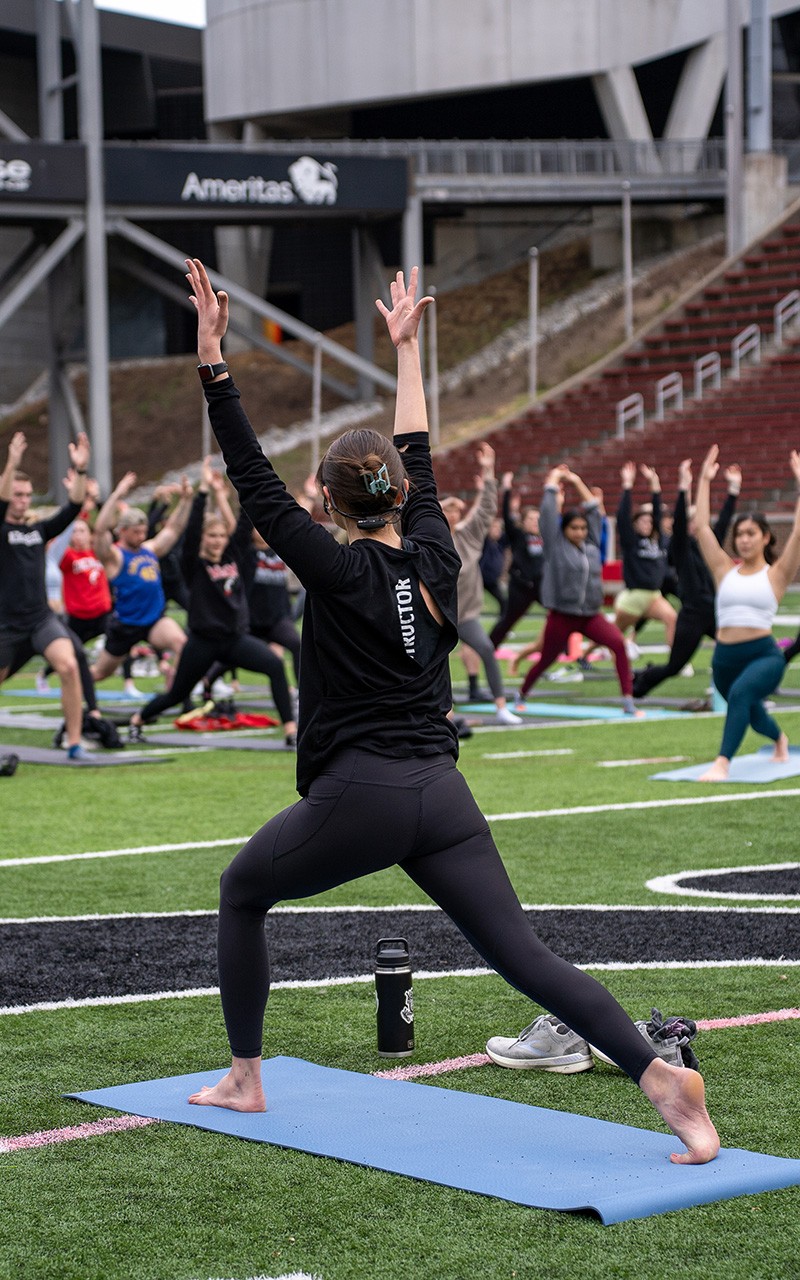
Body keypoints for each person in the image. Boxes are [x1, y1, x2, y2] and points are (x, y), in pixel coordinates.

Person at [182, 257, 718, 1166]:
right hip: (441, 795)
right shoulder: (434, 550)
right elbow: (416, 451)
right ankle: (661, 1080)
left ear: (333, 505)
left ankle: (245, 1074)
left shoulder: (340, 567)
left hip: (366, 796)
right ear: (394, 494)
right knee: (523, 956)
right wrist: (407, 351)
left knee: (241, 892)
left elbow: (253, 476)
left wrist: (214, 361)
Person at [127, 458, 296, 746]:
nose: (217, 541)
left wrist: (249, 482)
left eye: (220, 536)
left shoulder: (236, 559)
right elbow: (191, 533)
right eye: (212, 536)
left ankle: (291, 730)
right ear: (204, 538)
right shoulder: (194, 565)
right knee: (177, 695)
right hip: (203, 642)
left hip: (235, 640)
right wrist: (203, 492)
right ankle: (138, 720)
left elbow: (243, 526)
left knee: (275, 666)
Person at [693, 443, 800, 782]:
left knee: (741, 695)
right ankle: (779, 739)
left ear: (765, 537)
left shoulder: (777, 573)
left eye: (751, 534)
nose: (743, 540)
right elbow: (700, 528)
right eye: (739, 534)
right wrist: (705, 480)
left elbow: (799, 531)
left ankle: (722, 763)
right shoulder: (724, 569)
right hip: (724, 659)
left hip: (763, 656)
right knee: (752, 712)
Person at [512, 465, 638, 714]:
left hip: (591, 615)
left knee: (618, 644)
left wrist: (576, 480)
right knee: (547, 658)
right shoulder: (554, 546)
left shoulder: (591, 545)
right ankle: (522, 693)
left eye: (582, 528)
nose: (580, 532)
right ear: (564, 530)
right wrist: (554, 480)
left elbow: (593, 509)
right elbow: (548, 513)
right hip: (562, 615)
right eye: (574, 528)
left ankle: (627, 700)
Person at [0, 430, 92, 760]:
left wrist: (81, 470)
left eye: (27, 495)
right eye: (18, 494)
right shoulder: (1, 528)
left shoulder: (37, 530)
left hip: (40, 619)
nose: (23, 499)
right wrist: (12, 461)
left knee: (68, 666)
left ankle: (75, 743)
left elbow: (75, 506)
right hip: (5, 625)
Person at [632, 459, 739, 700]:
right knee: (674, 667)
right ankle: (641, 682)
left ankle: (752, 686)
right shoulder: (680, 548)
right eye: (692, 521)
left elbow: (723, 522)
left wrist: (733, 490)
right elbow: (679, 523)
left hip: (713, 613)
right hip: (691, 616)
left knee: (740, 647)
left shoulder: (709, 546)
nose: (696, 524)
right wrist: (683, 488)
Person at [440, 447, 521, 725]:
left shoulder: (467, 536)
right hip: (435, 615)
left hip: (464, 615)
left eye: (454, 509)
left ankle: (501, 706)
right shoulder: (427, 540)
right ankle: (442, 715)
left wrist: (489, 471)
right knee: (433, 664)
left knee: (486, 649)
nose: (452, 514)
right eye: (446, 509)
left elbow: (486, 508)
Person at [90, 470, 192, 689]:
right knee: (100, 672)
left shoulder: (149, 549)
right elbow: (100, 531)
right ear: (123, 531)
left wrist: (185, 501)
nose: (141, 536)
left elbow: (174, 528)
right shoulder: (115, 557)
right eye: (136, 532)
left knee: (183, 643)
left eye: (144, 531)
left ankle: (176, 695)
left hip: (154, 620)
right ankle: (75, 689)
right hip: (126, 624)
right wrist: (117, 494)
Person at [613, 461, 677, 653]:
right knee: (613, 633)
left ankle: (676, 662)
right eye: (643, 520)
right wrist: (627, 485)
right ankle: (586, 654)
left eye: (650, 521)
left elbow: (658, 514)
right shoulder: (631, 541)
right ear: (635, 523)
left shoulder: (657, 540)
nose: (648, 524)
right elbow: (622, 517)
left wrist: (655, 484)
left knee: (672, 618)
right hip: (633, 597)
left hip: (653, 595)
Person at [488, 472, 543, 649]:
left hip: (540, 586)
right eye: (532, 519)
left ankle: (564, 647)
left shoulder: (545, 538)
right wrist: (507, 489)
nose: (536, 522)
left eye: (538, 519)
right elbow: (506, 517)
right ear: (524, 521)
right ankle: (490, 646)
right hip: (520, 587)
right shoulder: (518, 535)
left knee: (561, 614)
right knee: (508, 620)